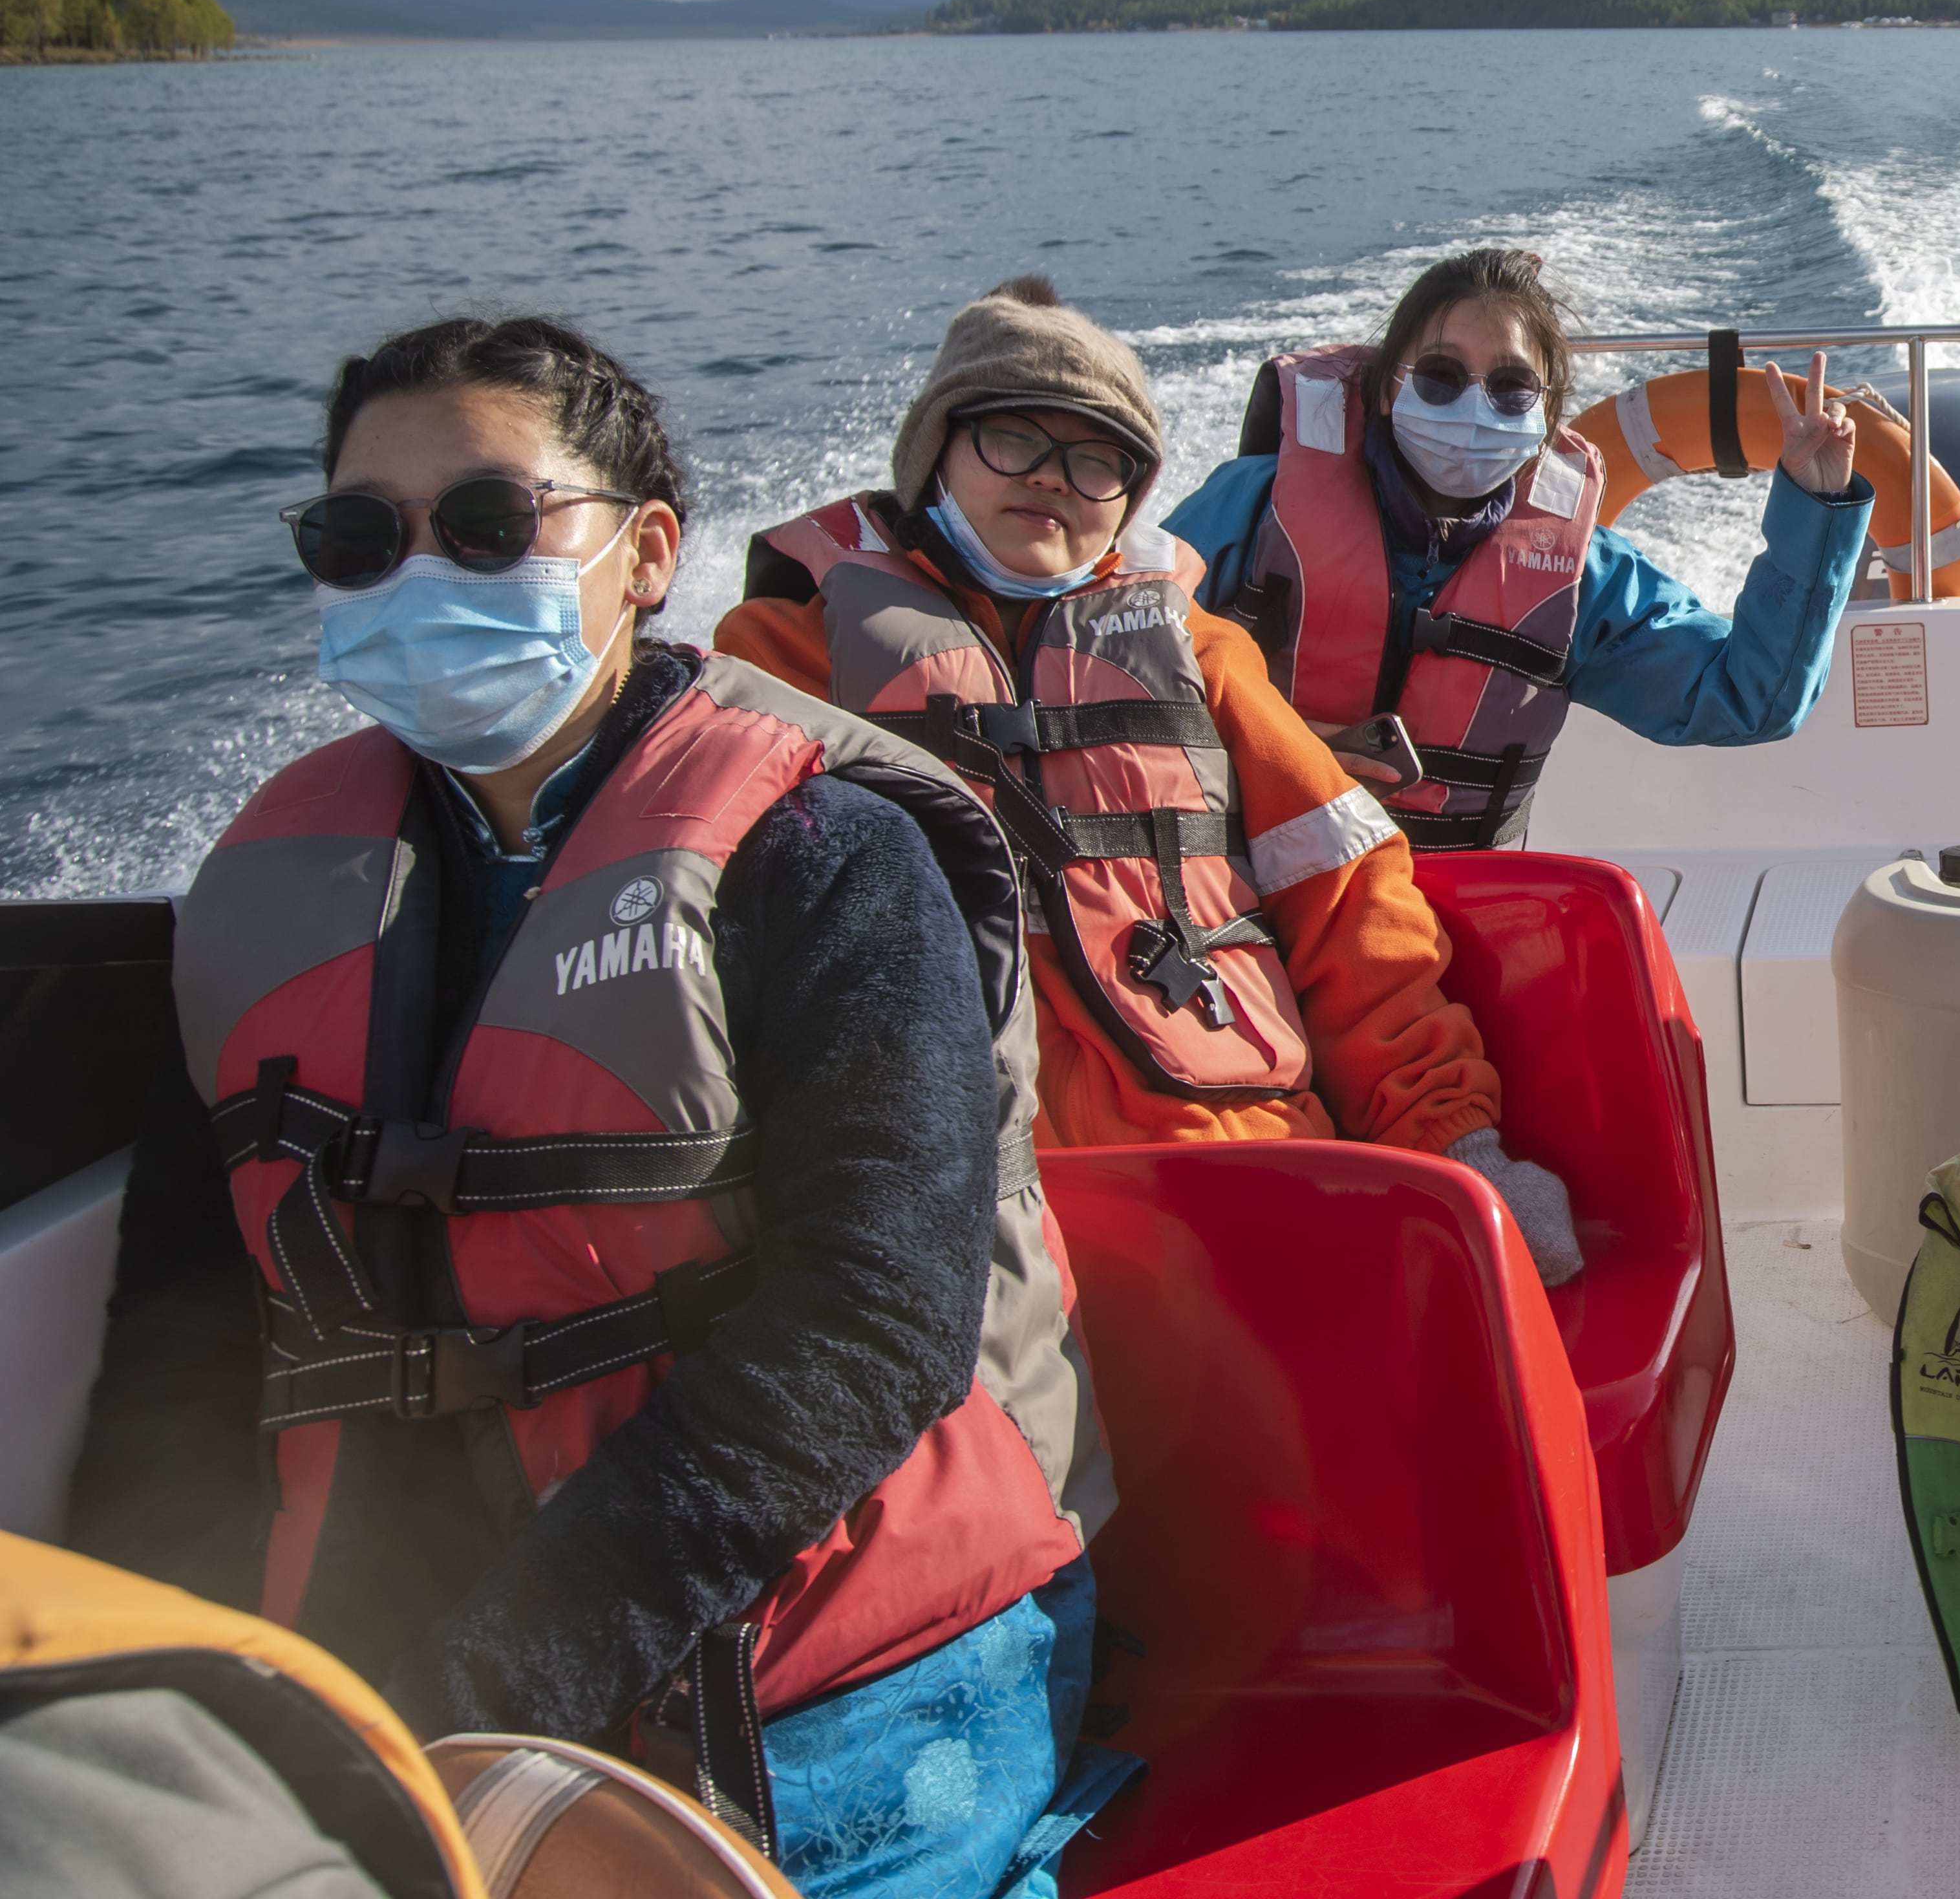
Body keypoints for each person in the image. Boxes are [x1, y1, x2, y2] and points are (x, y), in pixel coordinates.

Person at [70, 316, 1121, 1895]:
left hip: (824, 1673)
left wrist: (480, 1685)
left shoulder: (827, 852)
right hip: (385, 1650)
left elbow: (878, 1319)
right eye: (362, 538)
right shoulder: (262, 892)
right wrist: (157, 1679)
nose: (422, 572)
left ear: (645, 555)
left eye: (489, 523)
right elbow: (192, 1317)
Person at [718, 275, 1585, 1284]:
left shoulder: (1203, 655)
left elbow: (1350, 906)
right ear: (934, 455)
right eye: (1011, 439)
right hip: (948, 1203)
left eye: (1097, 461)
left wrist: (1456, 1142)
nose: (1051, 478)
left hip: (1241, 1157)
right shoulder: (783, 663)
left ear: (1130, 499)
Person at [1163, 246, 1868, 850]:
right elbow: (1111, 651)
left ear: (1542, 413)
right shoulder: (1254, 504)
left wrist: (1817, 507)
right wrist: (1273, 746)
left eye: (1509, 386)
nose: (1472, 407)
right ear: (1385, 389)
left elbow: (1747, 698)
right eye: (1440, 377)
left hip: (1460, 907)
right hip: (1247, 880)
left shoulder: (1582, 576)